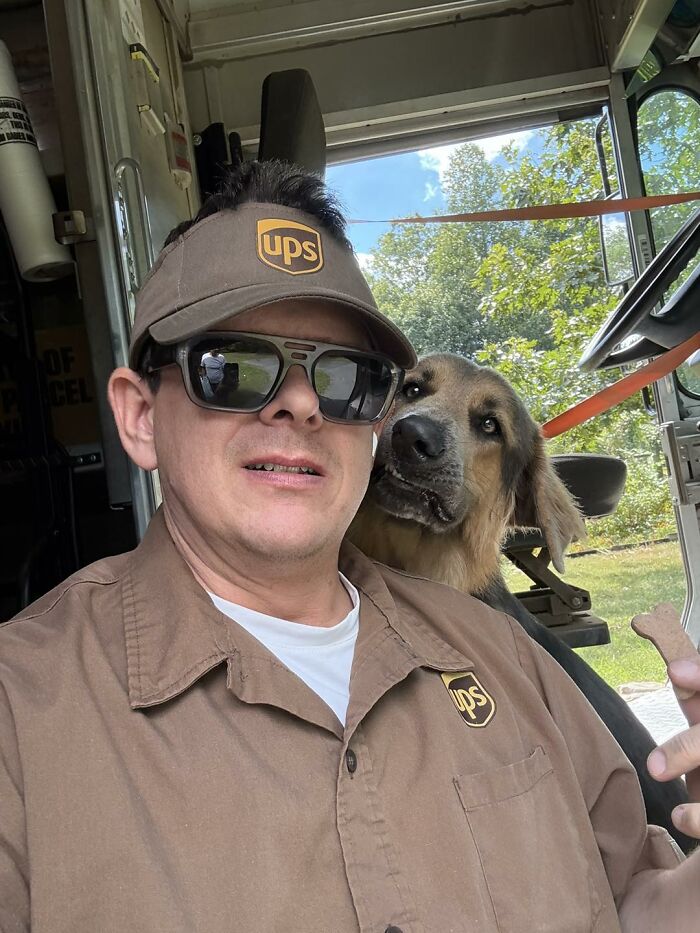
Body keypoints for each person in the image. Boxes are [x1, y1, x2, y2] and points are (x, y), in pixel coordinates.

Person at [0, 160, 699, 932]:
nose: (302, 402)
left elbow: (634, 902)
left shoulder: (510, 659)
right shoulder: (21, 713)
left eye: (346, 378)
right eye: (233, 367)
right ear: (140, 416)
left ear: (369, 423)